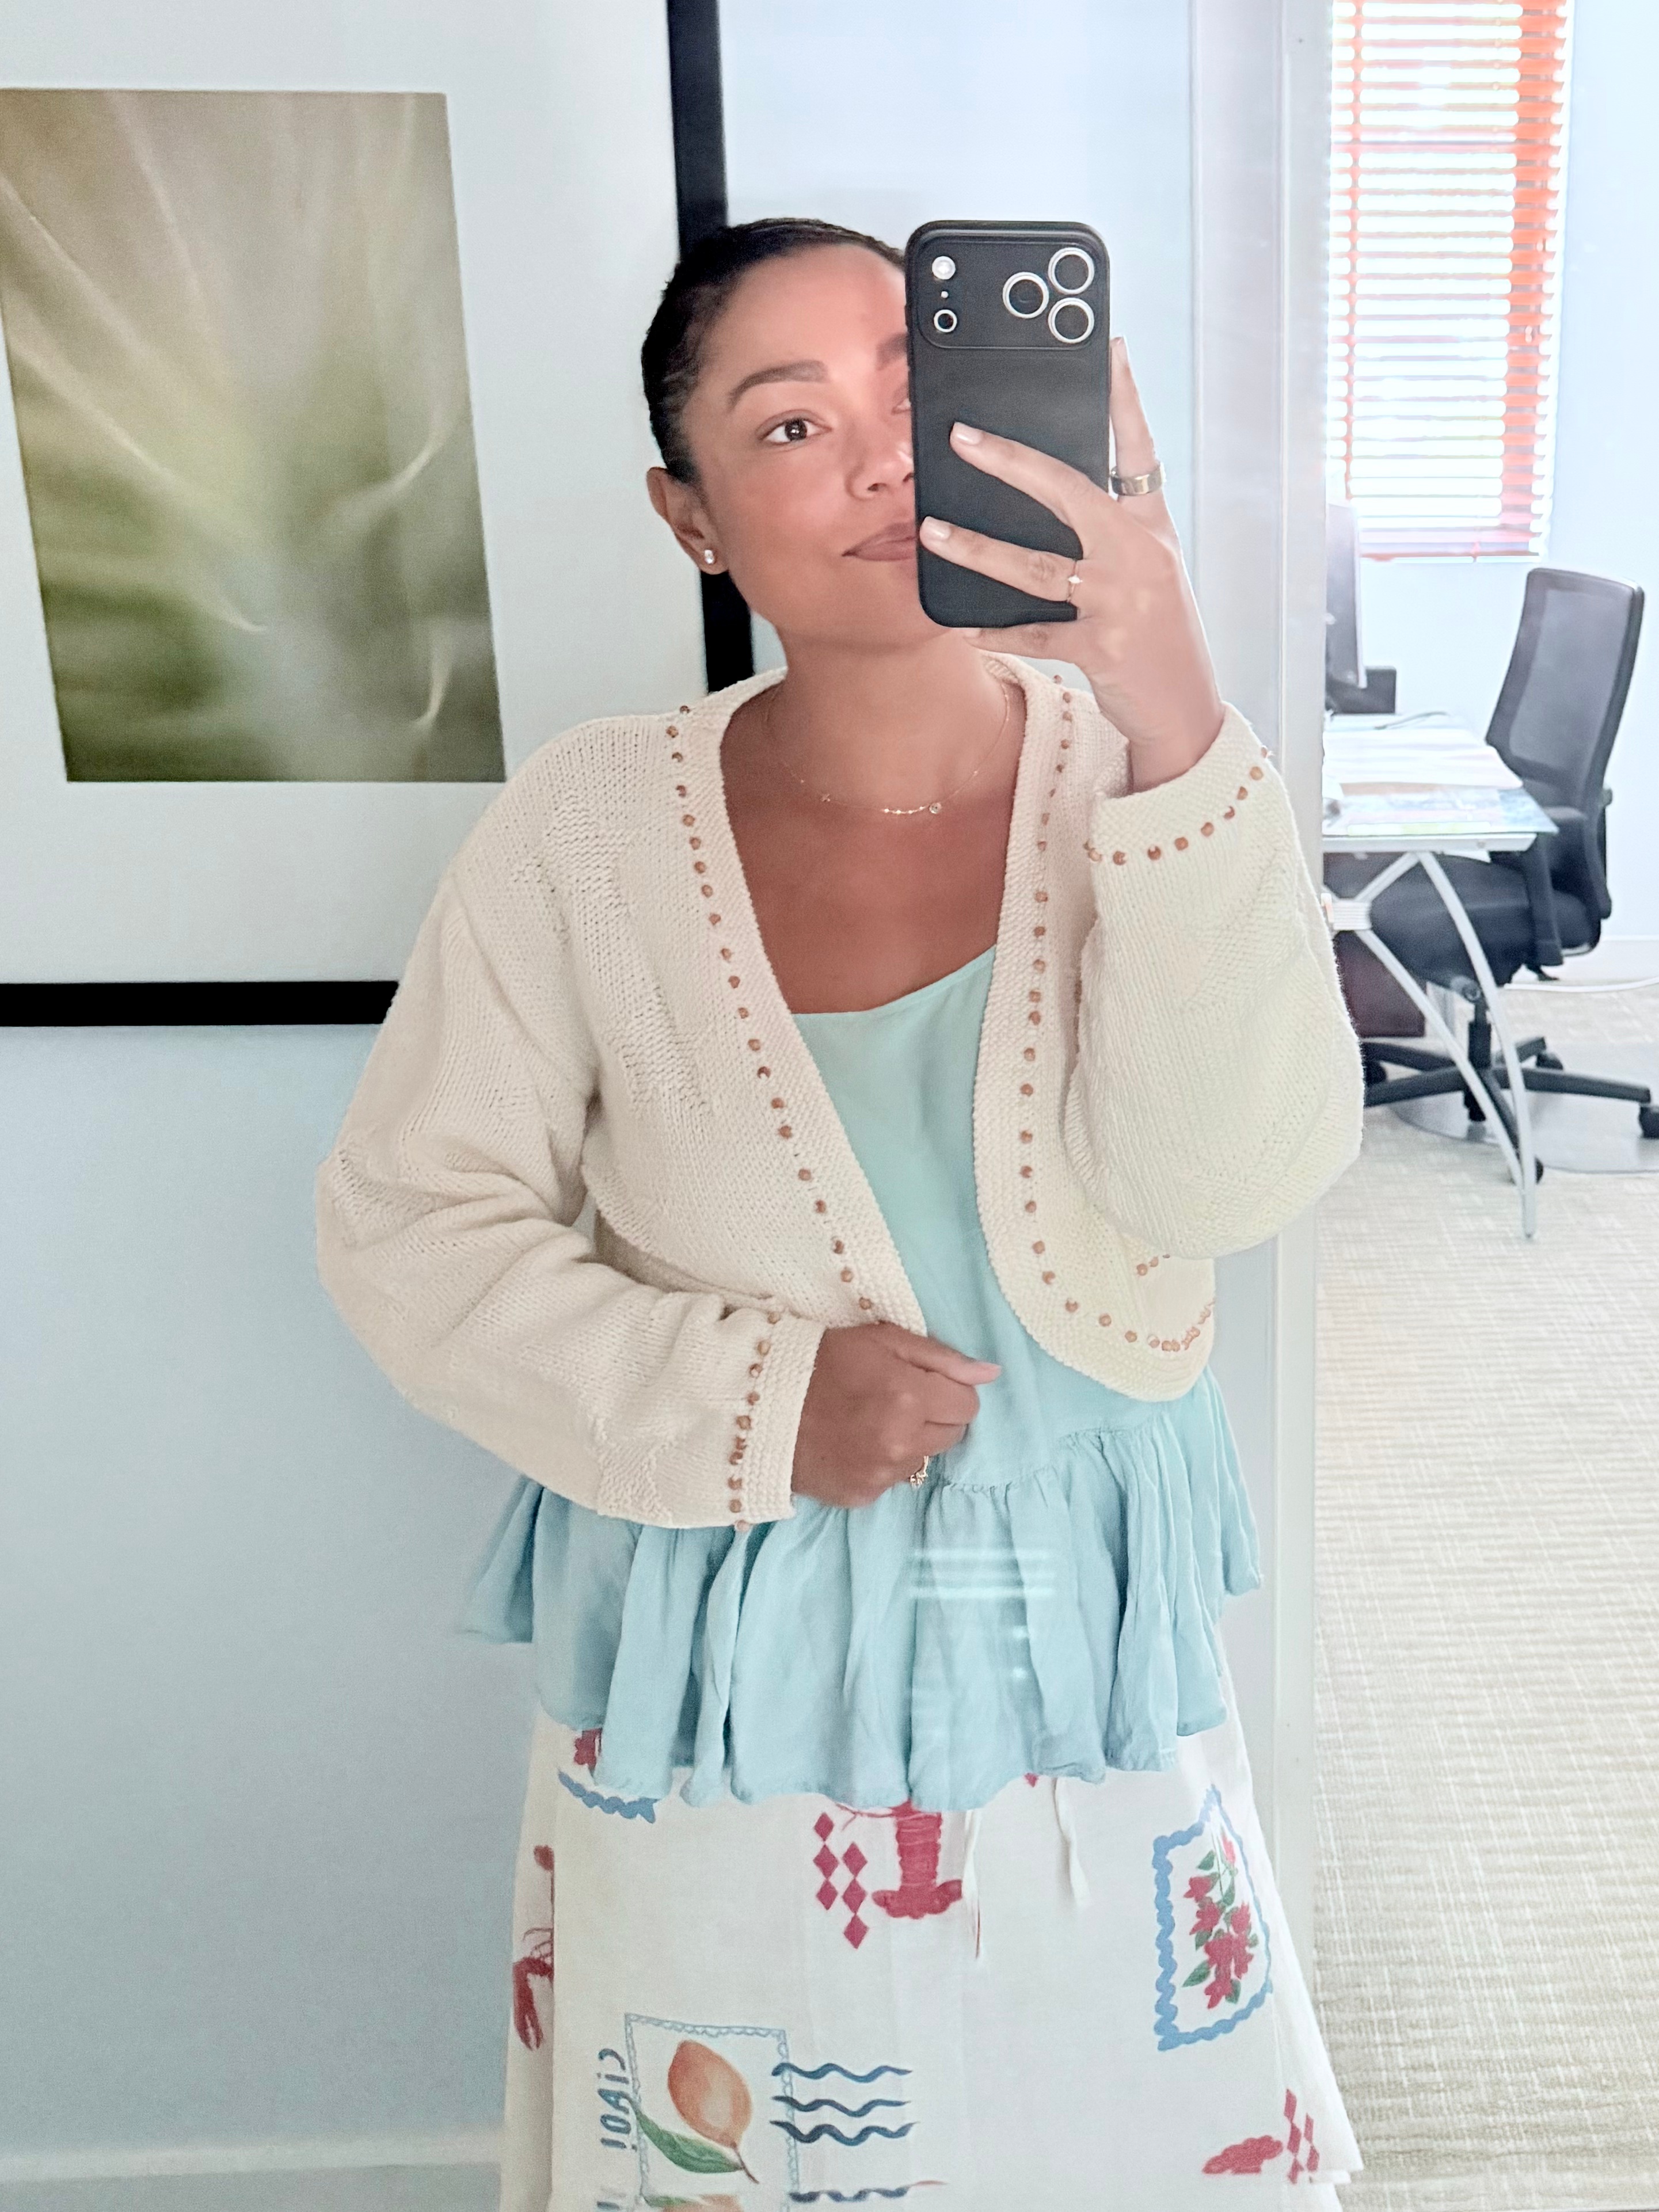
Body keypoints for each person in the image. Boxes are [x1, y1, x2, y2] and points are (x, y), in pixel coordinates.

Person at [315, 216, 1367, 2211]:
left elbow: (1227, 1182)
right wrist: (757, 1398)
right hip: (735, 1634)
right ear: (691, 517)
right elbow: (409, 1223)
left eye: (913, 383)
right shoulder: (586, 827)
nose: (883, 456)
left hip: (1072, 1620)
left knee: (1119, 2124)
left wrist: (1174, 717)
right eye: (789, 423)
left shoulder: (1146, 772)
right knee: (745, 2139)